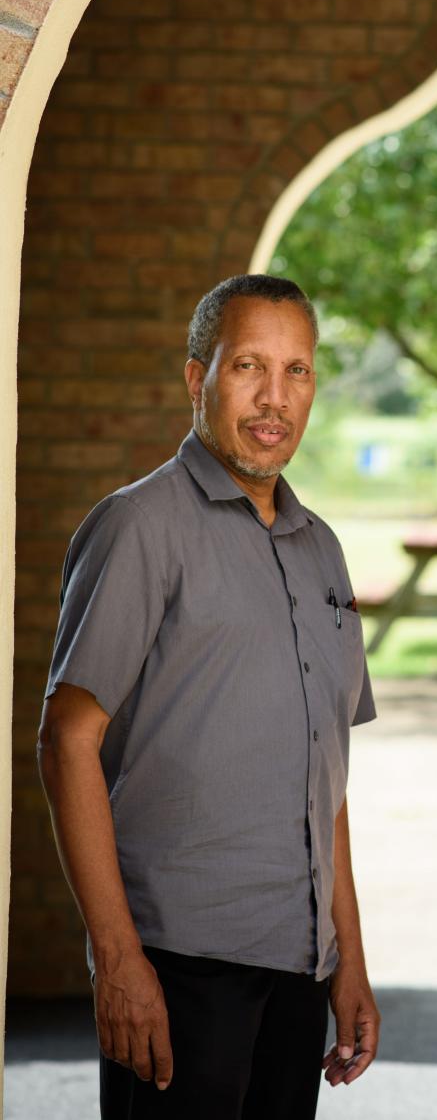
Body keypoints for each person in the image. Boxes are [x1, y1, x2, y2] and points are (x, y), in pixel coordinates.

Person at [38, 274, 379, 1119]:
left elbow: (324, 774)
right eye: (248, 368)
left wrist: (352, 962)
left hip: (299, 965)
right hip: (177, 964)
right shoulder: (138, 528)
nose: (275, 399)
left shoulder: (322, 551)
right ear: (199, 379)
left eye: (297, 371)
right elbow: (65, 742)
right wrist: (116, 960)